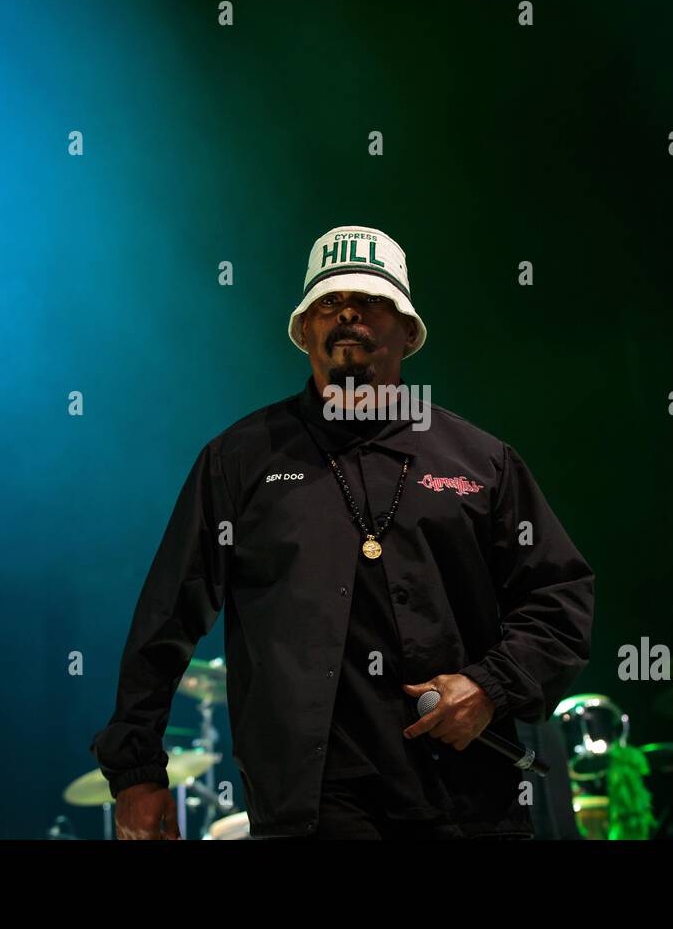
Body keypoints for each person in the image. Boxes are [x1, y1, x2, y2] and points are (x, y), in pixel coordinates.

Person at [90, 225, 594, 839]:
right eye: (328, 302)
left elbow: (561, 598)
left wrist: (488, 687)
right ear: (304, 331)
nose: (348, 313)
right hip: (309, 806)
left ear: (408, 332)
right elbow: (165, 620)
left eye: (371, 301)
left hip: (467, 799)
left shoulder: (481, 462)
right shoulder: (238, 462)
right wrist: (137, 771)